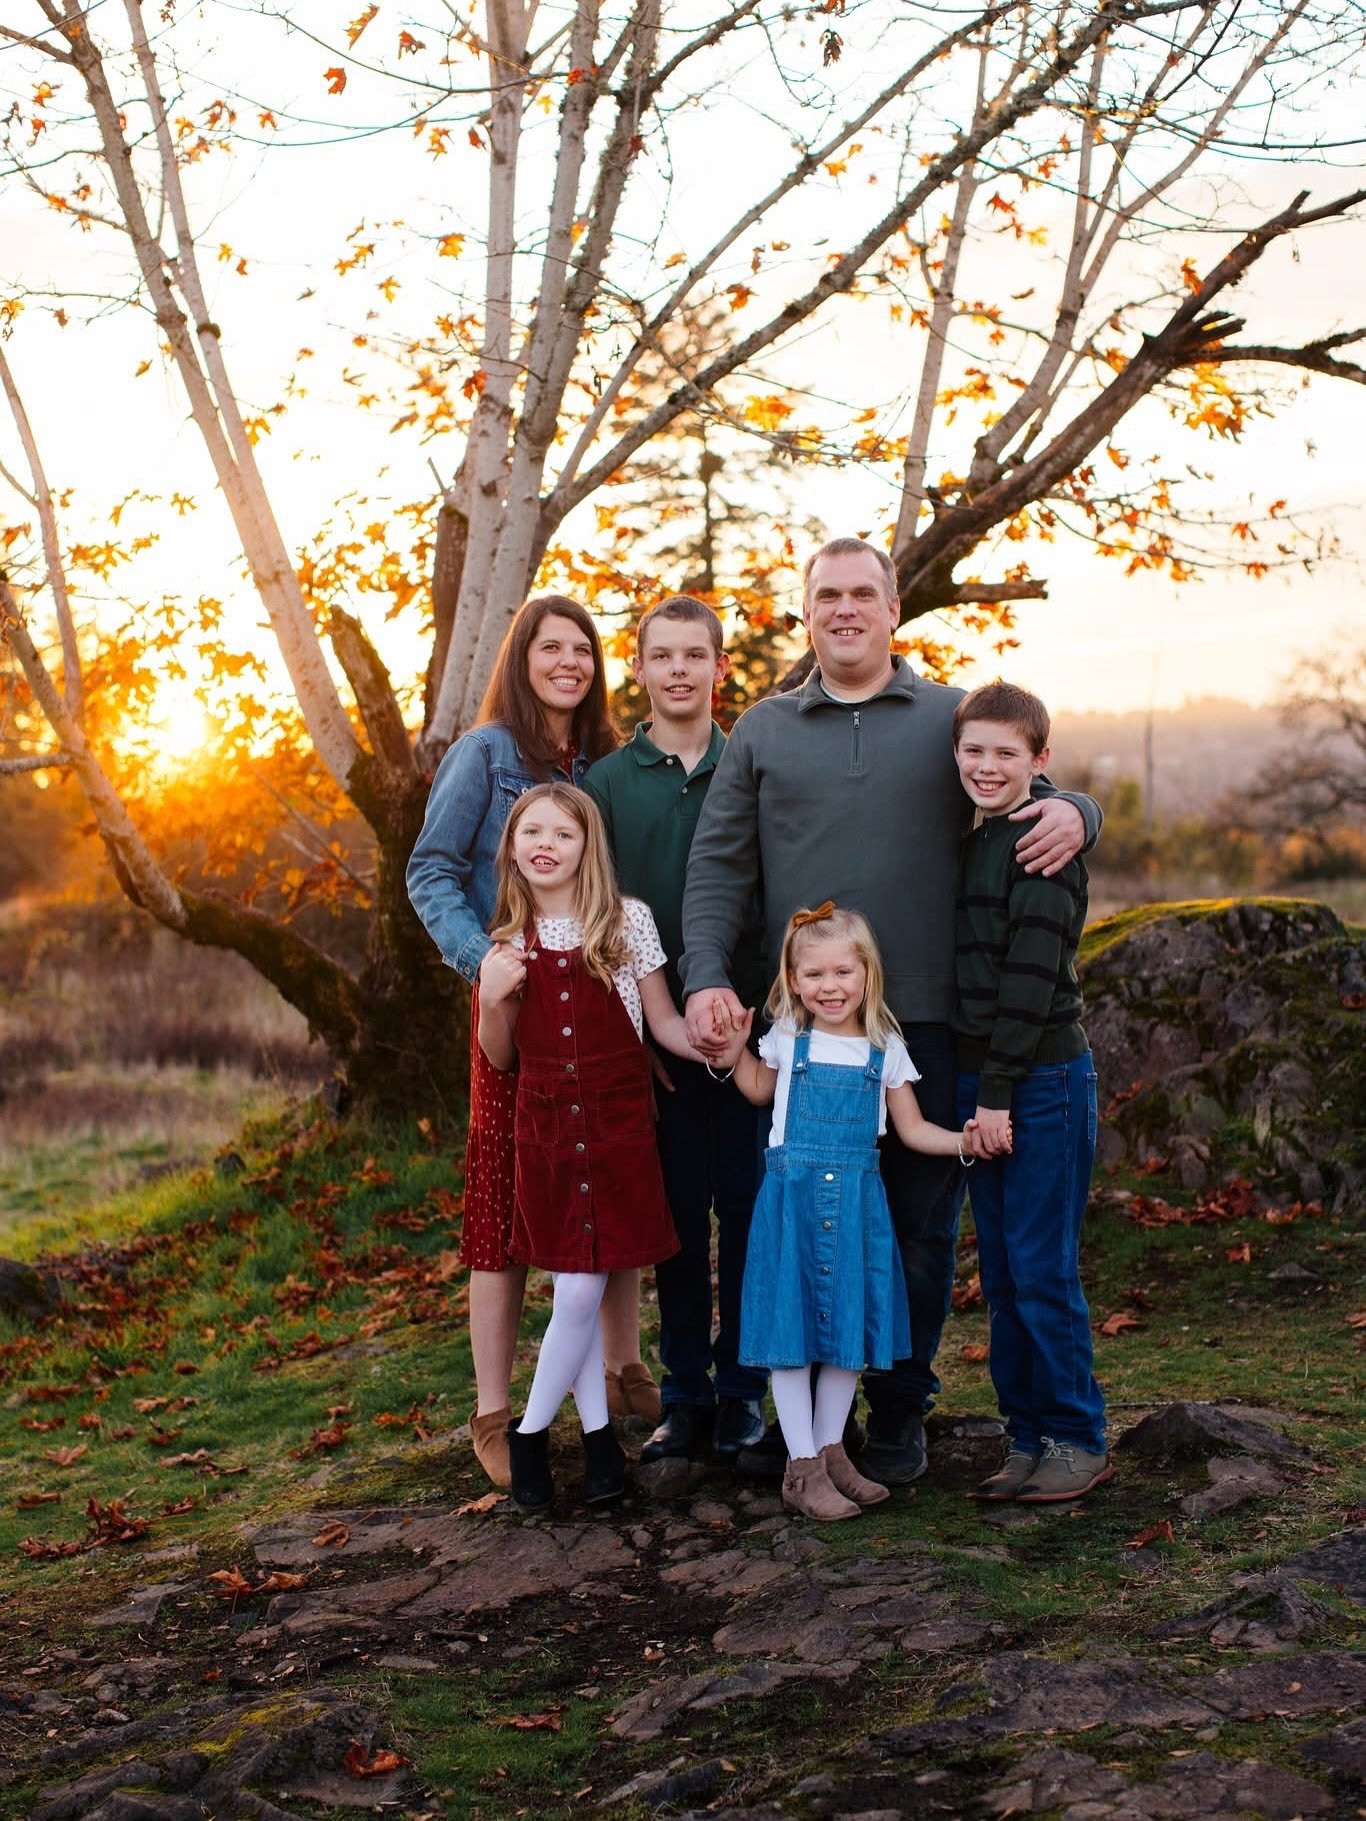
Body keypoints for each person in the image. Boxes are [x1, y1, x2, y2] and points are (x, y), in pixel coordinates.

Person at [681, 537, 1101, 1486]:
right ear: (806, 609)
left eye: (862, 592)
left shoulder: (948, 717)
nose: (845, 608)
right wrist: (708, 973)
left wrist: (1083, 809)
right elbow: (718, 864)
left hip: (929, 1024)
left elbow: (1019, 775)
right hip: (806, 1030)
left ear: (893, 605)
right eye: (826, 594)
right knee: (788, 1219)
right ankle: (792, 1427)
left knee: (915, 1233)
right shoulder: (763, 729)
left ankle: (901, 1412)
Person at [406, 595, 659, 1491]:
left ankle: (623, 1369)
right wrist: (487, 964)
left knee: (600, 1179)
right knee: (506, 1204)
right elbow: (430, 867)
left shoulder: (597, 762)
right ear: (520, 658)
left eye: (582, 649)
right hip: (511, 1002)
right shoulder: (487, 754)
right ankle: (491, 1408)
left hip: (590, 999)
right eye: (550, 647)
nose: (568, 662)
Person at [713, 903, 988, 1520]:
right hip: (793, 1202)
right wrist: (734, 1052)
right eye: (813, 975)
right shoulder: (788, 1038)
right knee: (792, 1333)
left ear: (867, 974)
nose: (829, 987)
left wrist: (964, 1142)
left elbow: (913, 1130)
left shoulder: (885, 1048)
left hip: (859, 1205)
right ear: (792, 980)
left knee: (845, 1339)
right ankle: (802, 1466)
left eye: (843, 972)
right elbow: (759, 1091)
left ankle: (833, 1452)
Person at [475, 784, 701, 1512]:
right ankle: (600, 1447)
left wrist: (718, 1046)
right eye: (530, 831)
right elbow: (501, 1056)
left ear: (586, 846)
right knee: (577, 1282)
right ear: (512, 848)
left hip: (616, 1127)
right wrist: (490, 998)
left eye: (562, 834)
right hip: (548, 1133)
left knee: (580, 1286)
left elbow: (661, 1021)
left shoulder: (625, 922)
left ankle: (533, 1433)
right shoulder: (509, 943)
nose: (545, 844)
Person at [585, 597, 769, 1465]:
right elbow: (599, 919)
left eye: (697, 655)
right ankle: (686, 1392)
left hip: (750, 1032)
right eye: (663, 656)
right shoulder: (608, 785)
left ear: (720, 668)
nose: (680, 671)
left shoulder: (754, 763)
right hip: (658, 1042)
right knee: (679, 1219)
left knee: (746, 1208)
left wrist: (758, 1020)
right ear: (641, 668)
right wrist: (639, 1039)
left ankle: (744, 1393)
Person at [951, 682, 1111, 1503]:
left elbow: (1028, 983)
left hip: (1040, 1077)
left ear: (1038, 760)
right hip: (988, 1079)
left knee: (1044, 1269)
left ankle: (1076, 1434)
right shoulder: (973, 834)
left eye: (1005, 753)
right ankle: (1026, 1435)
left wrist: (996, 1096)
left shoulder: (1044, 843)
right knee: (1005, 1275)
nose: (986, 765)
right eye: (972, 750)